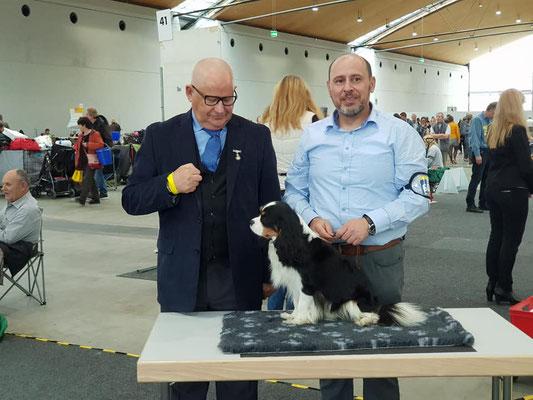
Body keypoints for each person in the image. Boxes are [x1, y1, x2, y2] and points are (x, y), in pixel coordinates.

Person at [122, 57, 280, 400]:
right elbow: (131, 199)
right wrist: (169, 185)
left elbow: (271, 208)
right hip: (183, 280)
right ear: (190, 93)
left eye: (229, 98)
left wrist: (269, 272)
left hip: (238, 278)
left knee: (238, 381)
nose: (221, 109)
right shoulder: (160, 136)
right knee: (186, 381)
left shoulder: (255, 136)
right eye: (212, 99)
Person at [284, 54, 429, 400]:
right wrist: (311, 219)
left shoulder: (399, 133)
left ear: (371, 84)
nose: (348, 88)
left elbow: (419, 196)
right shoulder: (313, 136)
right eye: (339, 81)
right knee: (331, 356)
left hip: (380, 259)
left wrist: (370, 222)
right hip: (326, 259)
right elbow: (293, 191)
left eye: (356, 80)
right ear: (330, 88)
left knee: (381, 352)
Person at [259, 74, 323, 310]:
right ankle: (295, 304)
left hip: (271, 193)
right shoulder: (313, 120)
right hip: (300, 195)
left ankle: (274, 309)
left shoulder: (264, 121)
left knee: (276, 254)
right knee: (298, 254)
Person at [484, 89, 533, 305]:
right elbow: (525, 166)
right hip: (513, 190)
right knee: (510, 241)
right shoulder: (518, 130)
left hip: (493, 189)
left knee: (497, 236)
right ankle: (504, 288)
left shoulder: (494, 130)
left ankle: (493, 283)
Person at [0, 170, 41, 285]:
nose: (3, 188)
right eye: (3, 185)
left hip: (21, 249)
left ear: (23, 186)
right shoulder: (14, 201)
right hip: (8, 244)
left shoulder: (28, 209)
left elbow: (8, 237)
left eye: (8, 184)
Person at [466, 101, 497, 213]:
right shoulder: (477, 120)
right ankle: (470, 204)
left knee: (486, 179)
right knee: (476, 179)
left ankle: (483, 203)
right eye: (494, 113)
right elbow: (474, 139)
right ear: (490, 110)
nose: (495, 116)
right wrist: (477, 154)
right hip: (480, 152)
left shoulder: (490, 121)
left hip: (488, 151)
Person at [74, 117, 104, 206]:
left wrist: (88, 144)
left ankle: (82, 199)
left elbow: (100, 145)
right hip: (82, 160)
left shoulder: (95, 134)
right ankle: (96, 198)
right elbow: (78, 147)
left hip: (92, 160)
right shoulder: (81, 135)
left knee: (86, 180)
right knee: (91, 180)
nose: (79, 127)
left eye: (80, 125)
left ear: (84, 125)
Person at [85, 107, 111, 199]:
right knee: (97, 171)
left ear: (91, 115)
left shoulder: (99, 124)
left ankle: (98, 191)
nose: (85, 116)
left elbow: (101, 138)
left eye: (86, 114)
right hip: (96, 150)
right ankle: (102, 191)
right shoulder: (96, 123)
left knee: (96, 171)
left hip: (99, 150)